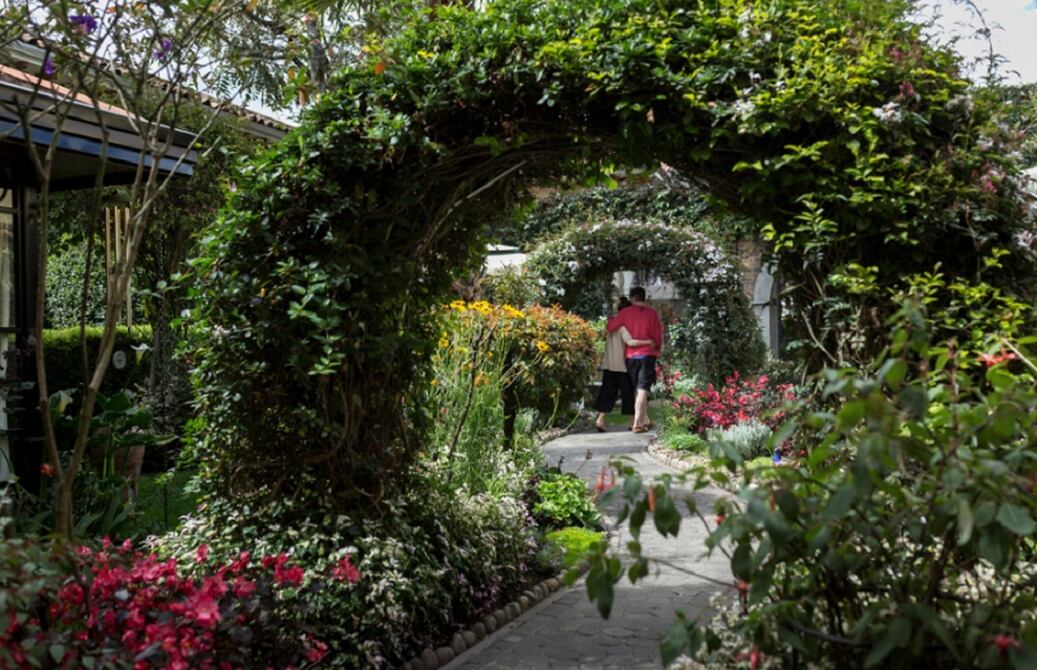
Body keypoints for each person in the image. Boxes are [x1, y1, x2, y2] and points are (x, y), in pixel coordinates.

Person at [592, 298, 654, 432]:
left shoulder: (611, 323)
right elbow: (630, 342)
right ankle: (632, 422)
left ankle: (600, 420)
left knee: (607, 392)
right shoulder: (623, 326)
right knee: (629, 394)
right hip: (623, 366)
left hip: (609, 365)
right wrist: (648, 342)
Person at [606, 286, 663, 433]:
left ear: (632, 298)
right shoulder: (652, 313)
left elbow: (611, 327)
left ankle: (640, 421)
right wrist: (657, 349)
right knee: (642, 388)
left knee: (636, 389)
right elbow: (657, 335)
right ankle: (638, 422)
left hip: (630, 356)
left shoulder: (625, 312)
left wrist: (613, 318)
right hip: (647, 355)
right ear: (644, 297)